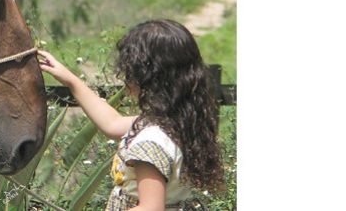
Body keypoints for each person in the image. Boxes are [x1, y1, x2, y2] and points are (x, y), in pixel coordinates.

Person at [38, 19, 223, 211]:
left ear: (145, 76)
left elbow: (151, 207)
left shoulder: (150, 142)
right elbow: (112, 122)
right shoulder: (178, 122)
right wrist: (70, 80)